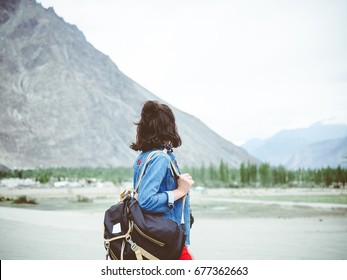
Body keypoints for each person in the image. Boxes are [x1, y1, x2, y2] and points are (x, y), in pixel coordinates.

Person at [130, 100, 194, 260]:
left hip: (151, 238)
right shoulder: (160, 158)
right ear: (168, 127)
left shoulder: (143, 157)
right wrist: (180, 191)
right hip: (165, 238)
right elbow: (146, 201)